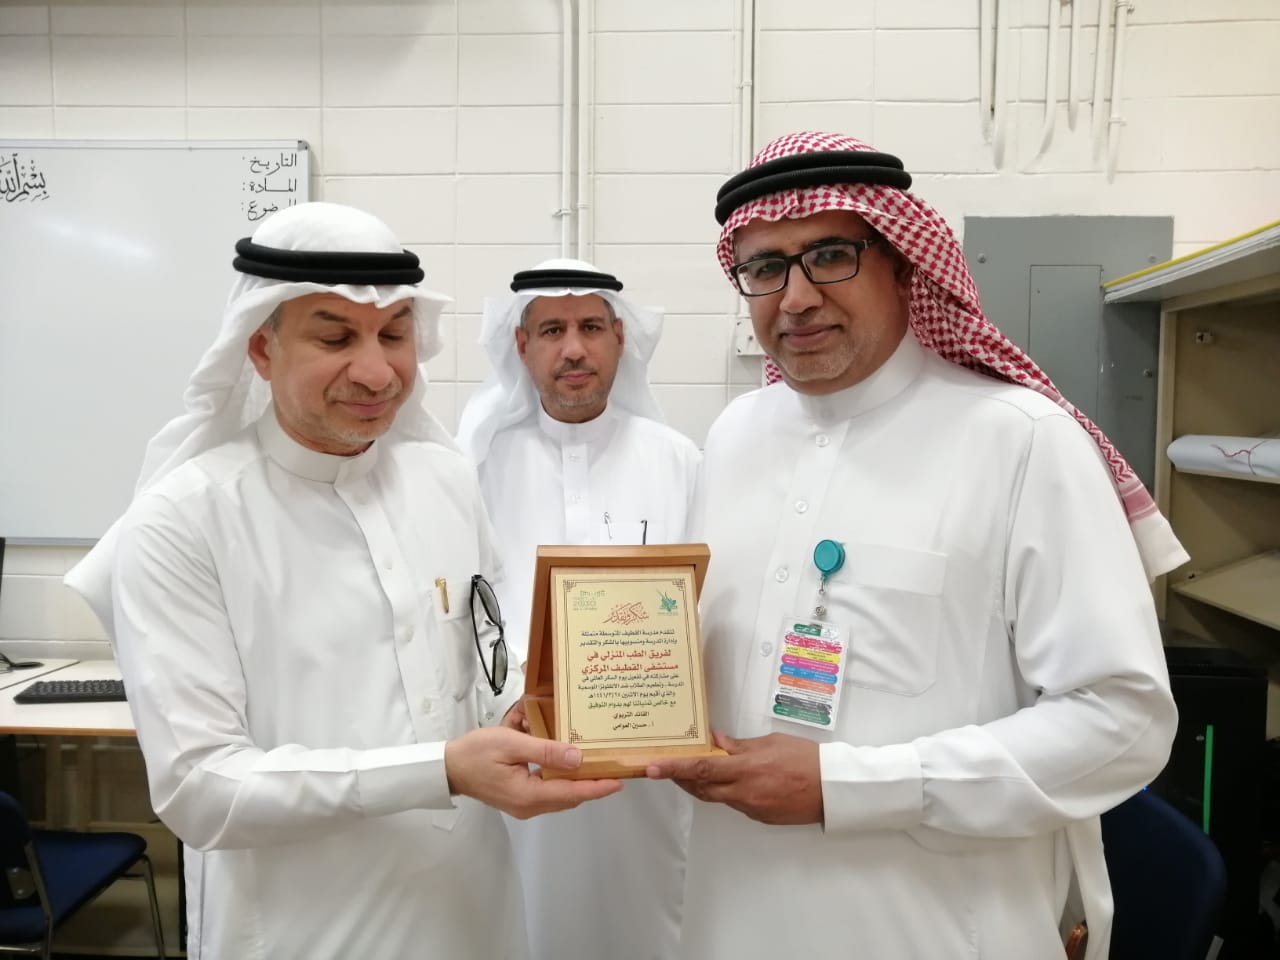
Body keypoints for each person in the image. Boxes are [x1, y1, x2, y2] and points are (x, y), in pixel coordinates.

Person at [645, 132, 1186, 960]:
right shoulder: (732, 437)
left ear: (903, 265)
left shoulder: (1021, 441)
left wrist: (850, 786)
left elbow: (1123, 721)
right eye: (765, 268)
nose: (795, 297)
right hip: (732, 913)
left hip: (935, 927)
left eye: (830, 256)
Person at [64, 203, 621, 960]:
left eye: (394, 335)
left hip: (473, 915)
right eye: (335, 338)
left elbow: (487, 661)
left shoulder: (446, 478)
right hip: (301, 932)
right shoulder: (184, 520)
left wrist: (529, 709)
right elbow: (200, 790)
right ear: (261, 347)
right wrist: (441, 770)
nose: (376, 371)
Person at [456, 259, 699, 960]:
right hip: (514, 752)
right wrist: (516, 697)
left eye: (591, 327)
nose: (573, 349)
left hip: (647, 771)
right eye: (551, 330)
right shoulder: (472, 466)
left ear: (620, 338)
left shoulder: (679, 460)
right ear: (520, 344)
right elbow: (465, 613)